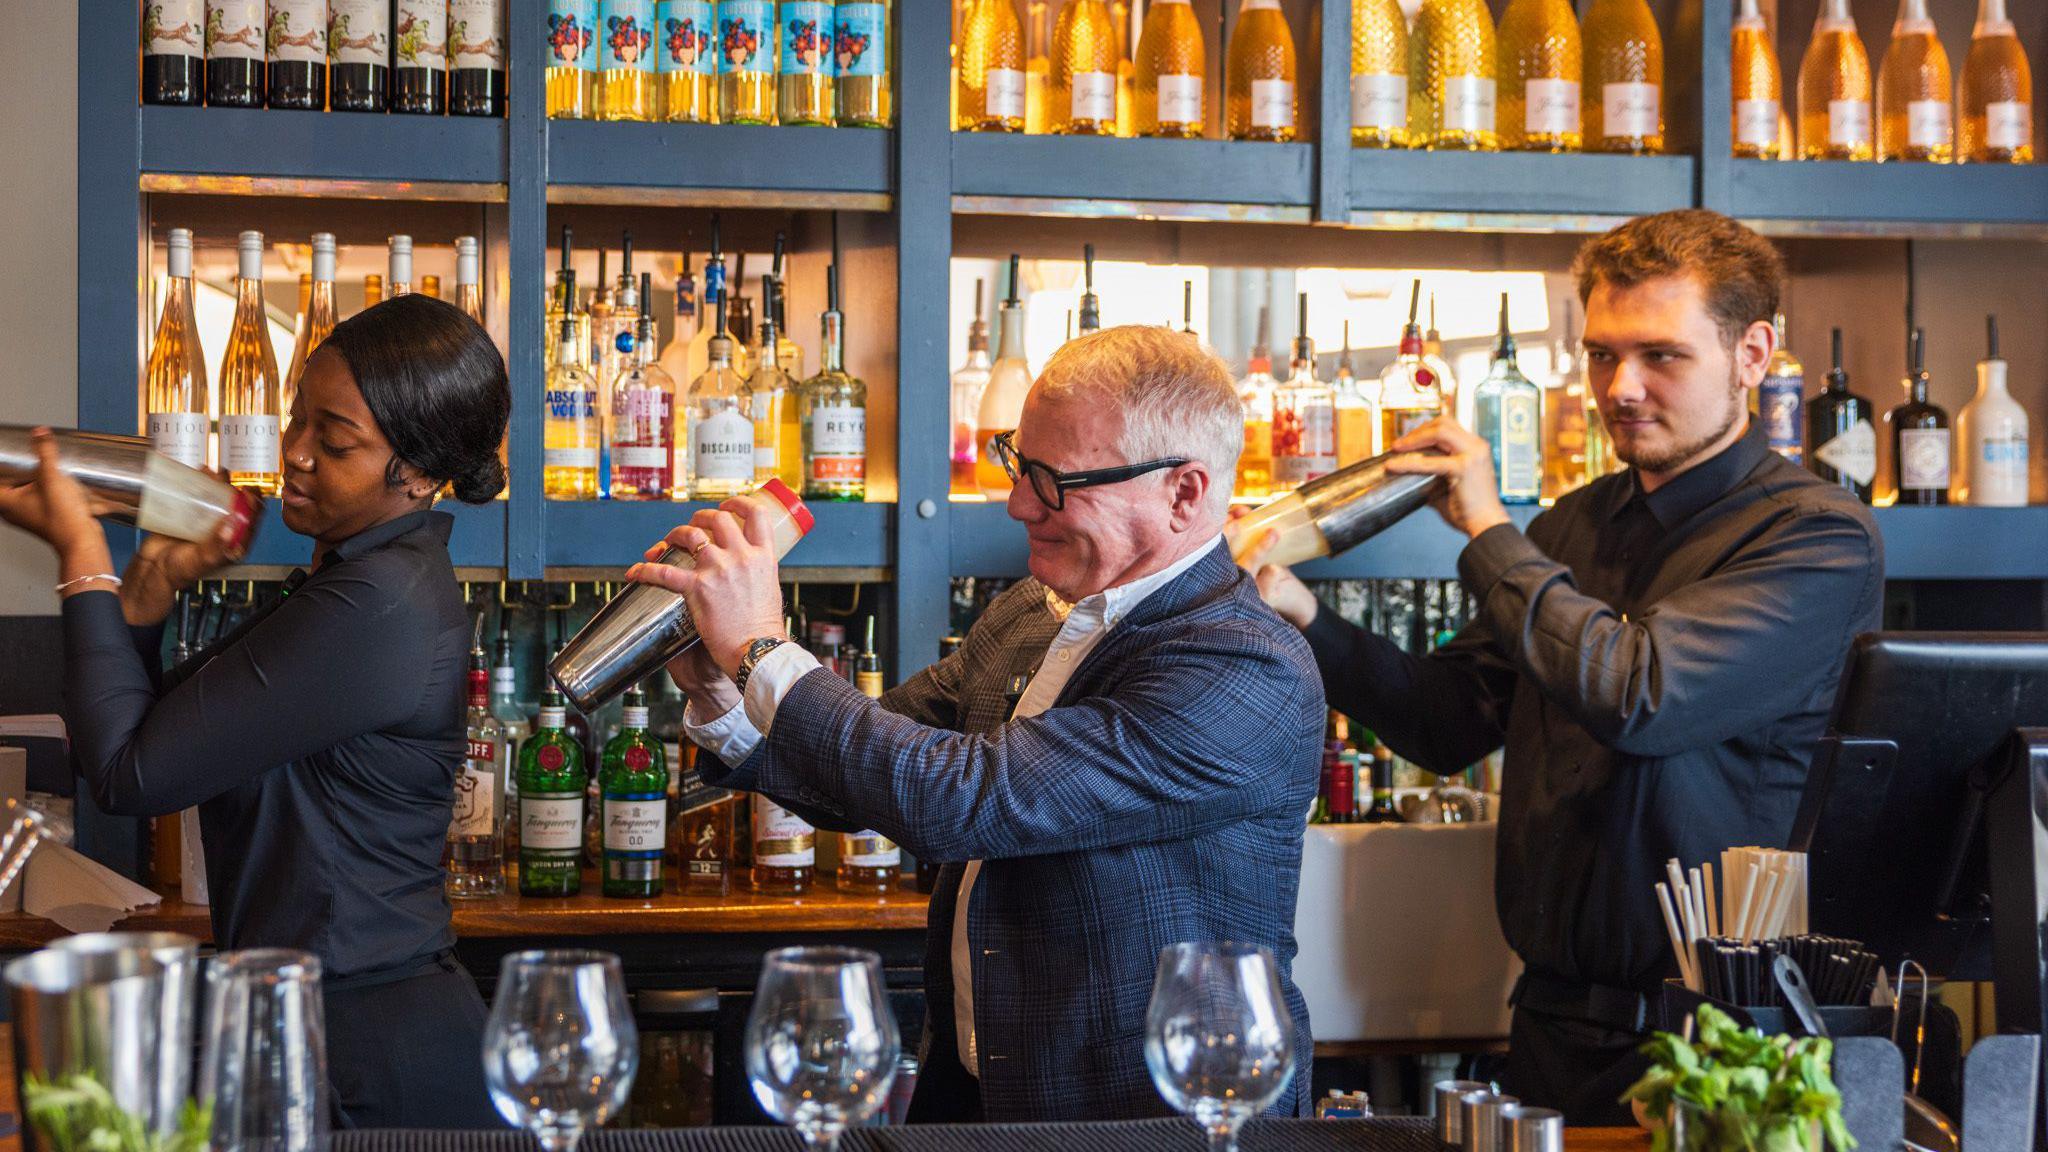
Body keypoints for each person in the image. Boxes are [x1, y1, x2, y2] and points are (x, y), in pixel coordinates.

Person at [1241, 210, 1884, 1124]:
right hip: (1548, 1028)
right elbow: (1446, 720)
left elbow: (1641, 692)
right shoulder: (1571, 529)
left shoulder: (1813, 535)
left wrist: (1490, 532)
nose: (1621, 387)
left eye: (1662, 356)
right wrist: (1301, 614)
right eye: (1601, 355)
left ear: (1753, 353)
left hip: (1723, 1040)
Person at [630, 325, 1323, 1123]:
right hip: (975, 1090)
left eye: (1054, 481)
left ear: (1184, 493)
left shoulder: (1243, 667)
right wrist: (720, 688)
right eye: (1016, 462)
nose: (1018, 502)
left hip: (1153, 1118)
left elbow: (962, 800)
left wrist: (760, 649)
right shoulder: (1036, 611)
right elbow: (863, 771)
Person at [0, 294, 511, 1129]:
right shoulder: (357, 583)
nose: (296, 455)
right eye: (297, 420)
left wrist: (84, 551)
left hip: (376, 1054)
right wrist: (149, 584)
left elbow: (131, 775)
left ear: (415, 472)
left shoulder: (379, 604)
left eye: (335, 441)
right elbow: (145, 737)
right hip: (323, 1022)